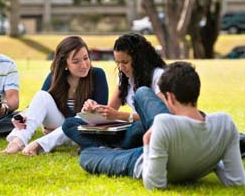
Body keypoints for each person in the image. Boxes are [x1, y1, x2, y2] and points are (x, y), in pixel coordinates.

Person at [79, 61, 245, 190]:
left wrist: (146, 145)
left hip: (142, 159)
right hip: (179, 147)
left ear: (170, 98)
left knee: (87, 155)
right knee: (143, 92)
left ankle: (114, 148)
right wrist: (212, 157)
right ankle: (116, 147)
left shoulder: (164, 123)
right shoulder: (225, 123)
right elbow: (236, 181)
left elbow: (154, 183)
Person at [1, 36, 108, 155]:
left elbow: (101, 116)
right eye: (76, 61)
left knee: (86, 115)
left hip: (81, 131)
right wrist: (23, 116)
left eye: (86, 58)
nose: (84, 65)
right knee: (42, 95)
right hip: (59, 128)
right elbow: (38, 104)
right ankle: (18, 141)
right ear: (65, 64)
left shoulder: (97, 75)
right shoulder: (55, 77)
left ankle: (40, 145)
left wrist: (92, 108)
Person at [62, 32, 169, 150]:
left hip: (143, 127)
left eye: (125, 62)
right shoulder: (124, 77)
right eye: (118, 62)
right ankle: (109, 147)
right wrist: (95, 109)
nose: (121, 67)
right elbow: (110, 111)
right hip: (125, 129)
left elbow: (162, 116)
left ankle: (102, 147)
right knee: (70, 124)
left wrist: (119, 115)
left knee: (138, 129)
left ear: (140, 59)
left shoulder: (158, 76)